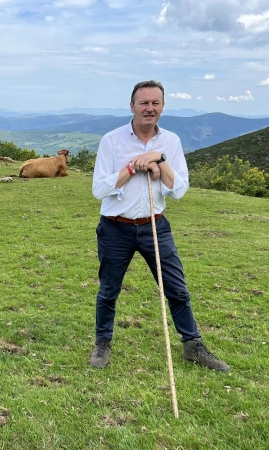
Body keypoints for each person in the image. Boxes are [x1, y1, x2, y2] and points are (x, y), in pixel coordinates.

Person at [90, 80, 229, 372]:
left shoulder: (172, 142)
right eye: (143, 103)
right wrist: (131, 168)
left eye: (155, 103)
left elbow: (178, 189)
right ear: (132, 106)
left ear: (162, 106)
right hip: (116, 228)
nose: (149, 108)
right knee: (108, 291)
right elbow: (99, 190)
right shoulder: (111, 141)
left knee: (176, 289)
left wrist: (158, 159)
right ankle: (103, 343)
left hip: (156, 224)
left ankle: (193, 345)